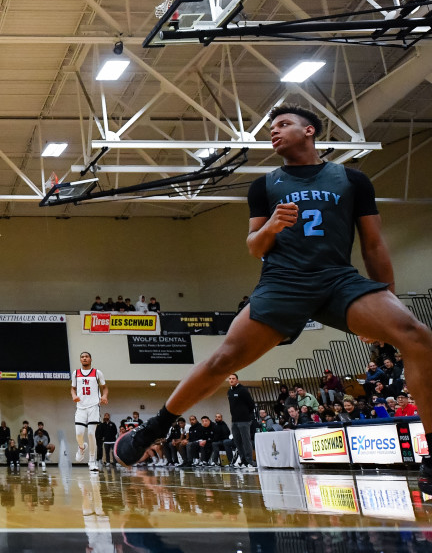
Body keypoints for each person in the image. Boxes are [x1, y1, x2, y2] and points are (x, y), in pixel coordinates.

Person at [117, 104, 432, 497]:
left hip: (337, 279)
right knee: (223, 360)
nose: (274, 132)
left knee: (416, 334)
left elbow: (373, 244)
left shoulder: (352, 180)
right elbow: (253, 246)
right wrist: (271, 226)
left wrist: (387, 304)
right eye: (271, 127)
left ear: (311, 131)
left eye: (284, 124)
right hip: (283, 283)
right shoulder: (265, 185)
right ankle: (156, 427)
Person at [70, 352, 107, 472]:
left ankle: (92, 461)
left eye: (86, 356)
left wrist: (104, 396)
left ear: (91, 359)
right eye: (82, 357)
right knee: (79, 434)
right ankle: (81, 447)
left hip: (94, 406)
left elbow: (104, 387)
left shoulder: (97, 372)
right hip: (80, 407)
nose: (84, 358)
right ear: (80, 360)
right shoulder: (76, 373)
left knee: (91, 434)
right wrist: (74, 395)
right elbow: (73, 388)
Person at [226, 374, 256, 469]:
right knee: (237, 441)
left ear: (237, 380)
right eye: (230, 379)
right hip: (234, 420)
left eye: (233, 379)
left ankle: (249, 461)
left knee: (246, 441)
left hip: (244, 420)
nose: (231, 380)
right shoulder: (229, 391)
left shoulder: (243, 390)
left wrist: (246, 415)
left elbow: (251, 404)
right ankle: (242, 461)